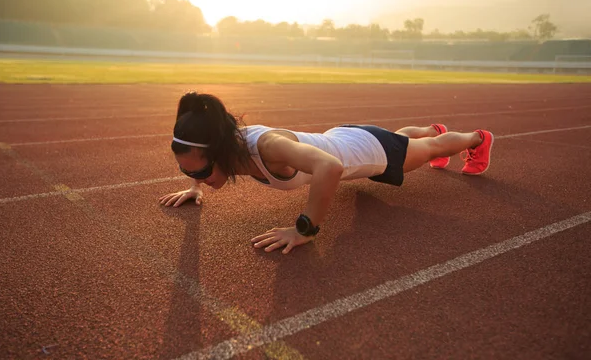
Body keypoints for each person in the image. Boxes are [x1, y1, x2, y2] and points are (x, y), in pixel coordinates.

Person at [159, 92, 494, 254]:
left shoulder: (268, 148)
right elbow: (197, 156)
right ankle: (427, 129)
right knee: (404, 142)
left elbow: (329, 167)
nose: (199, 175)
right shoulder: (220, 144)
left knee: (429, 150)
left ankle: (476, 139)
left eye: (202, 170)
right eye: (188, 170)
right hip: (347, 137)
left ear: (217, 151)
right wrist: (195, 187)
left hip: (367, 151)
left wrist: (304, 229)